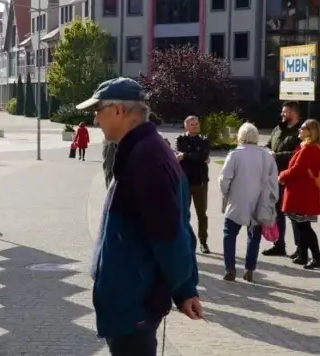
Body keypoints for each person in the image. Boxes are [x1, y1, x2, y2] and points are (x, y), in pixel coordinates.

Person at [78, 78, 202, 356]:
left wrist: (184, 289)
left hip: (134, 303)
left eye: (98, 110)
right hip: (130, 299)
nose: (95, 119)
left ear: (118, 111)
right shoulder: (141, 149)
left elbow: (172, 236)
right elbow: (176, 226)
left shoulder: (147, 159)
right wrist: (185, 289)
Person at [217, 123, 279, 283]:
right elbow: (274, 181)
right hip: (259, 202)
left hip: (236, 201)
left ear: (240, 136)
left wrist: (225, 193)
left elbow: (224, 179)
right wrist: (272, 199)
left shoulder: (235, 155)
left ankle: (230, 268)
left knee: (229, 235)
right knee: (254, 237)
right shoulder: (266, 156)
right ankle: (249, 269)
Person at [279, 119, 320, 269]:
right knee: (301, 225)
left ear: (310, 131)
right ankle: (303, 255)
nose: (299, 130)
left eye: (302, 128)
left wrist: (282, 176)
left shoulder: (309, 149)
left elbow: (297, 169)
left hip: (302, 192)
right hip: (304, 191)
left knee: (304, 227)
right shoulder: (311, 147)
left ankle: (317, 258)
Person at [261, 101, 302, 258]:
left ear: (293, 113)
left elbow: (298, 154)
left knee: (293, 213)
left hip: (291, 178)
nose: (282, 115)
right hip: (275, 177)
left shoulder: (301, 131)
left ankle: (300, 248)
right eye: (282, 112)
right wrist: (265, 151)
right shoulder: (277, 129)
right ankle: (279, 245)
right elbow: (269, 145)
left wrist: (276, 156)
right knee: (277, 212)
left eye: (285, 112)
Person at [175, 116, 211, 254]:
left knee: (202, 214)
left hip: (200, 182)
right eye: (192, 124)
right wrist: (194, 156)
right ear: (186, 126)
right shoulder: (181, 139)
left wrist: (186, 156)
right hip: (185, 182)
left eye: (197, 124)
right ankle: (184, 240)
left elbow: (203, 156)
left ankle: (203, 242)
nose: (196, 126)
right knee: (183, 213)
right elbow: (180, 153)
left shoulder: (204, 139)